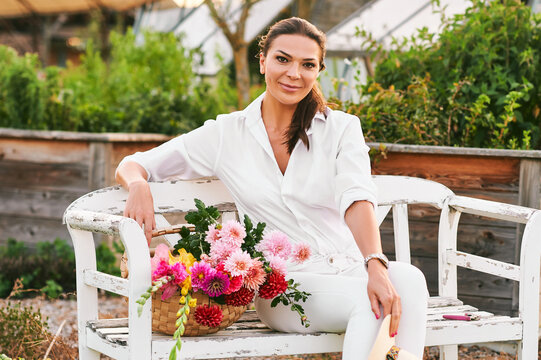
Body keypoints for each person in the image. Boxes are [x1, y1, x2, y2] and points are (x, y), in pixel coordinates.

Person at [115, 17, 428, 360]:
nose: (294, 73)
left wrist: (375, 265)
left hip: (350, 266)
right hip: (286, 287)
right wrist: (139, 184)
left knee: (410, 280)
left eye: (307, 64)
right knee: (373, 304)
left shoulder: (341, 129)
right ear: (262, 61)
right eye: (283, 59)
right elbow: (134, 164)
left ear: (318, 71)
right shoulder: (225, 135)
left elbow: (357, 196)